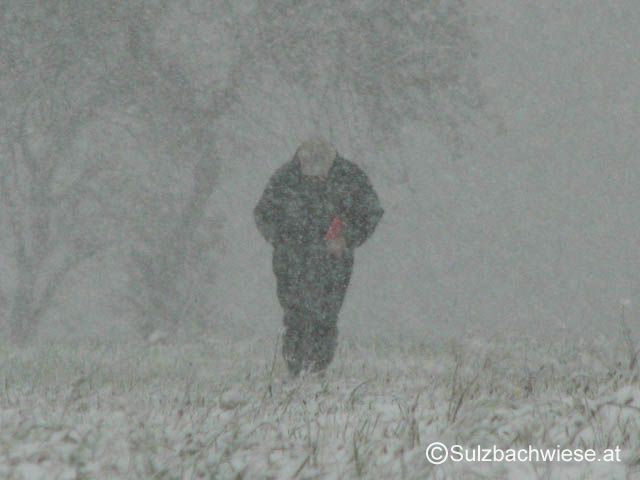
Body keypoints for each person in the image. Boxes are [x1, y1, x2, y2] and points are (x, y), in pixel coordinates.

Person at [254, 137, 384, 376]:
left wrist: (346, 238)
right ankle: (296, 368)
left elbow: (371, 211)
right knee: (295, 315)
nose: (315, 175)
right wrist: (284, 241)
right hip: (292, 262)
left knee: (326, 315)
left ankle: (317, 368)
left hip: (333, 262)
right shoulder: (286, 178)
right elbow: (263, 214)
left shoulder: (349, 177)